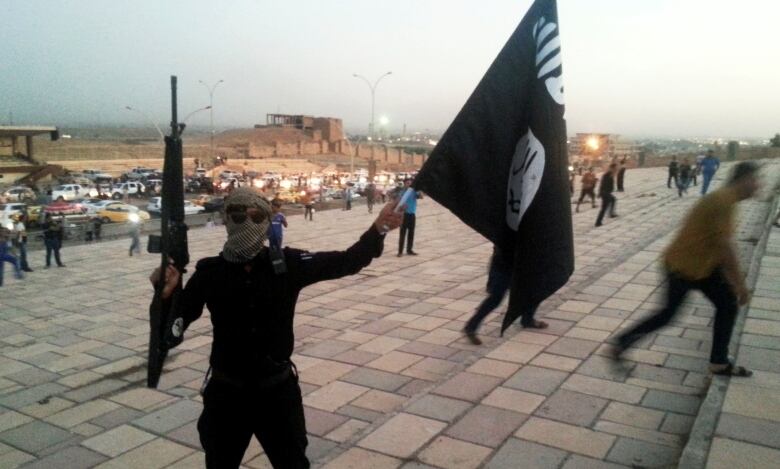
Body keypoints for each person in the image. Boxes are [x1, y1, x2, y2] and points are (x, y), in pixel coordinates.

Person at [150, 188, 403, 468]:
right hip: (227, 395)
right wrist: (166, 297)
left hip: (277, 392)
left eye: (255, 215)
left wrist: (379, 228)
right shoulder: (210, 274)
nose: (245, 222)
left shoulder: (287, 265)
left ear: (266, 220)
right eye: (236, 215)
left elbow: (347, 261)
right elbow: (172, 331)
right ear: (226, 219)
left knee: (292, 463)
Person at [612, 162, 761, 377]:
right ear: (744, 179)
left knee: (724, 305)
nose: (758, 185)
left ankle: (719, 361)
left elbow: (719, 244)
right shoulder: (723, 201)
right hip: (685, 267)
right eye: (756, 180)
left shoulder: (725, 199)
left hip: (698, 266)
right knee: (672, 314)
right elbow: (725, 247)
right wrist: (740, 285)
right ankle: (622, 342)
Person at [463, 246, 548, 344]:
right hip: (504, 264)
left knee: (533, 290)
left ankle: (528, 319)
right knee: (495, 298)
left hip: (520, 263)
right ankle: (471, 326)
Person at [397, 178, 419, 257]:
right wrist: (401, 207)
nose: (409, 184)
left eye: (410, 183)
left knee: (411, 233)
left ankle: (409, 250)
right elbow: (398, 202)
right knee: (402, 233)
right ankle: (400, 251)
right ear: (404, 184)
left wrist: (417, 189)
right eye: (407, 183)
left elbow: (421, 196)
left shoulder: (414, 192)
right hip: (404, 215)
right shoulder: (402, 193)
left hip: (412, 215)